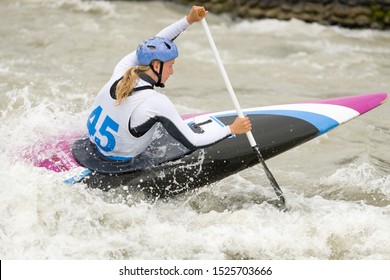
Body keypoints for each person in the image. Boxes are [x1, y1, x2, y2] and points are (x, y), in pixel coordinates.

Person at [86, 6, 252, 161]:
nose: (172, 72)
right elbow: (194, 141)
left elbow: (156, 43)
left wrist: (188, 20)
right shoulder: (155, 102)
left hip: (94, 145)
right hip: (119, 161)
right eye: (171, 65)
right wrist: (232, 129)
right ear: (156, 66)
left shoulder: (122, 68)